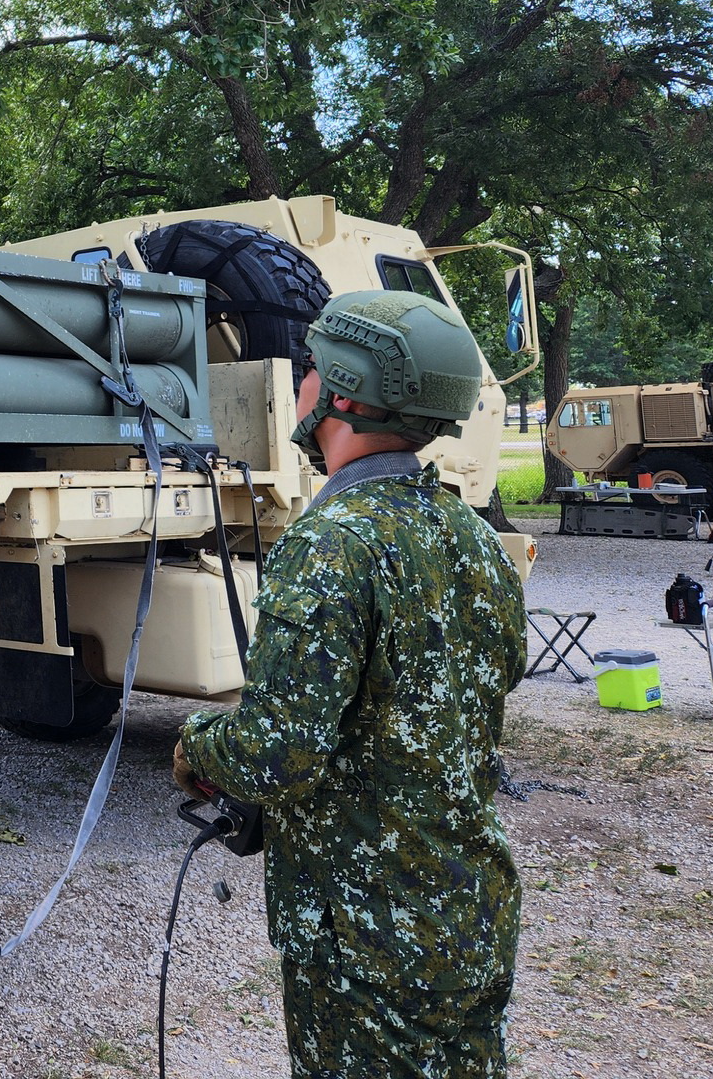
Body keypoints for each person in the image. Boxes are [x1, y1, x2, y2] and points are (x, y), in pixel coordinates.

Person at [171, 289, 527, 1079]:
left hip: (368, 937)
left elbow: (277, 754)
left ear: (342, 390)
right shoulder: (474, 535)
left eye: (310, 367)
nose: (297, 381)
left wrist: (198, 746)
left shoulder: (332, 544)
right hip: (467, 911)